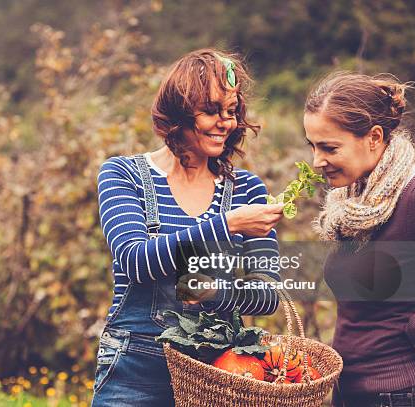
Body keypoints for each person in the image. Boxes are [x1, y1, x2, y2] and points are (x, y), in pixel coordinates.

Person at [92, 48, 285, 406]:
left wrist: (213, 292)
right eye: (211, 110)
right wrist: (228, 224)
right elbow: (137, 261)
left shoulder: (247, 190)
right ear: (178, 113)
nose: (225, 123)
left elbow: (267, 293)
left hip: (221, 371)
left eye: (231, 111)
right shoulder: (123, 175)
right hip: (135, 368)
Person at [304, 71, 415, 406]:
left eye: (329, 147)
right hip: (351, 389)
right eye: (312, 146)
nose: (317, 161)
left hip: (401, 391)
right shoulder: (357, 199)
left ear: (374, 137)